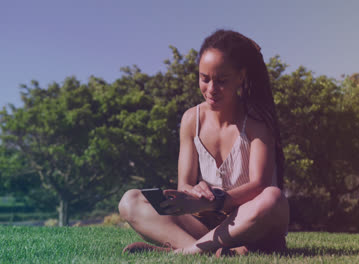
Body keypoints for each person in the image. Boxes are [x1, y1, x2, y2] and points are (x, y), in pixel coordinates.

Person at [118, 29, 289, 256]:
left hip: (253, 225)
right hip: (208, 224)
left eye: (221, 81)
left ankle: (185, 251)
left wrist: (214, 201)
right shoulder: (191, 119)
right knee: (130, 200)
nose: (211, 89)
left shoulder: (257, 122)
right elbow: (184, 184)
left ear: (241, 76)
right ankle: (207, 250)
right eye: (204, 78)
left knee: (273, 197)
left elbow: (259, 185)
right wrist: (194, 193)